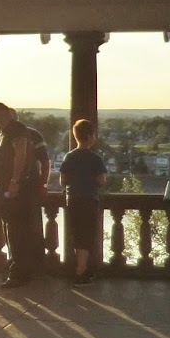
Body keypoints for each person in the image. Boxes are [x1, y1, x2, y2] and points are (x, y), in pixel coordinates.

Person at [0, 102, 43, 289]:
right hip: (11, 188)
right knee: (13, 228)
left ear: (3, 115)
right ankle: (18, 268)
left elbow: (21, 155)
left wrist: (14, 181)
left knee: (17, 230)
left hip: (17, 190)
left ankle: (19, 271)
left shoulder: (16, 130)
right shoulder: (6, 133)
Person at [59, 118, 107, 286]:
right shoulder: (95, 159)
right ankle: (81, 271)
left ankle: (79, 267)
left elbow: (62, 180)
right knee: (86, 236)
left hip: (72, 200)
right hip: (89, 200)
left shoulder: (69, 156)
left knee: (76, 234)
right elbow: (101, 181)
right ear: (89, 136)